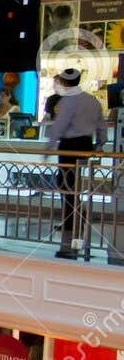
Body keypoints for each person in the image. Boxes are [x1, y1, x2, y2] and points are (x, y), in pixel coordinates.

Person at [48, 67, 106, 259]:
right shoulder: (92, 100)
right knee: (75, 183)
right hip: (86, 144)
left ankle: (71, 221)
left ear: (64, 82)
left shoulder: (68, 101)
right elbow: (101, 124)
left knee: (66, 184)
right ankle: (75, 219)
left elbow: (60, 124)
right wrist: (100, 144)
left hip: (70, 145)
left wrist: (50, 146)